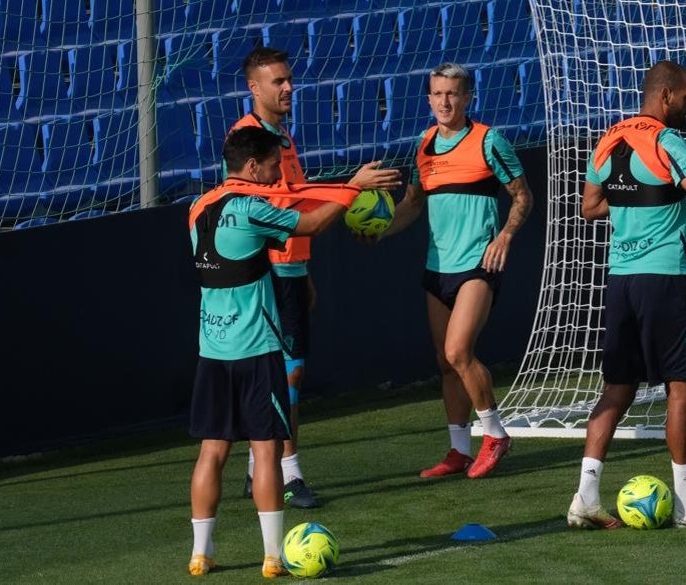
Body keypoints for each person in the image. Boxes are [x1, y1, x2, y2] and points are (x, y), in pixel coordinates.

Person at [566, 60, 686, 530]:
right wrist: (683, 190)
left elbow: (589, 207)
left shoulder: (607, 140)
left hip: (621, 281)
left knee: (616, 389)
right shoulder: (667, 141)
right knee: (682, 387)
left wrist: (635, 201)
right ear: (664, 95)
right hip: (666, 279)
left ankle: (585, 497)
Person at [186, 127, 360, 577]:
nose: (277, 177)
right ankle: (271, 557)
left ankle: (200, 554)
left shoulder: (196, 208)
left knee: (212, 451)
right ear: (251, 167)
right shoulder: (250, 209)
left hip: (212, 348)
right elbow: (311, 225)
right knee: (267, 450)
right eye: (272, 168)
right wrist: (352, 189)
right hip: (256, 348)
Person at [232, 47, 402, 508]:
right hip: (265, 271)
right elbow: (280, 203)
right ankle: (287, 476)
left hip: (288, 268)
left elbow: (294, 200)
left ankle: (257, 471)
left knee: (286, 372)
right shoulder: (249, 140)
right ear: (254, 89)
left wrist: (302, 270)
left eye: (289, 79)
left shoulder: (281, 137)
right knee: (286, 373)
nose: (288, 87)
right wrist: (351, 188)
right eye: (277, 82)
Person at [380, 62, 533, 479]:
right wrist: (378, 232)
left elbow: (522, 197)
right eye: (438, 94)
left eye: (453, 94)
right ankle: (459, 450)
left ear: (468, 98)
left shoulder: (489, 141)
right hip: (437, 268)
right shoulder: (425, 144)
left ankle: (496, 435)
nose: (445, 101)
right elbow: (412, 204)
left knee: (458, 351)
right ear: (428, 99)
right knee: (445, 364)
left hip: (478, 265)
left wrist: (504, 237)